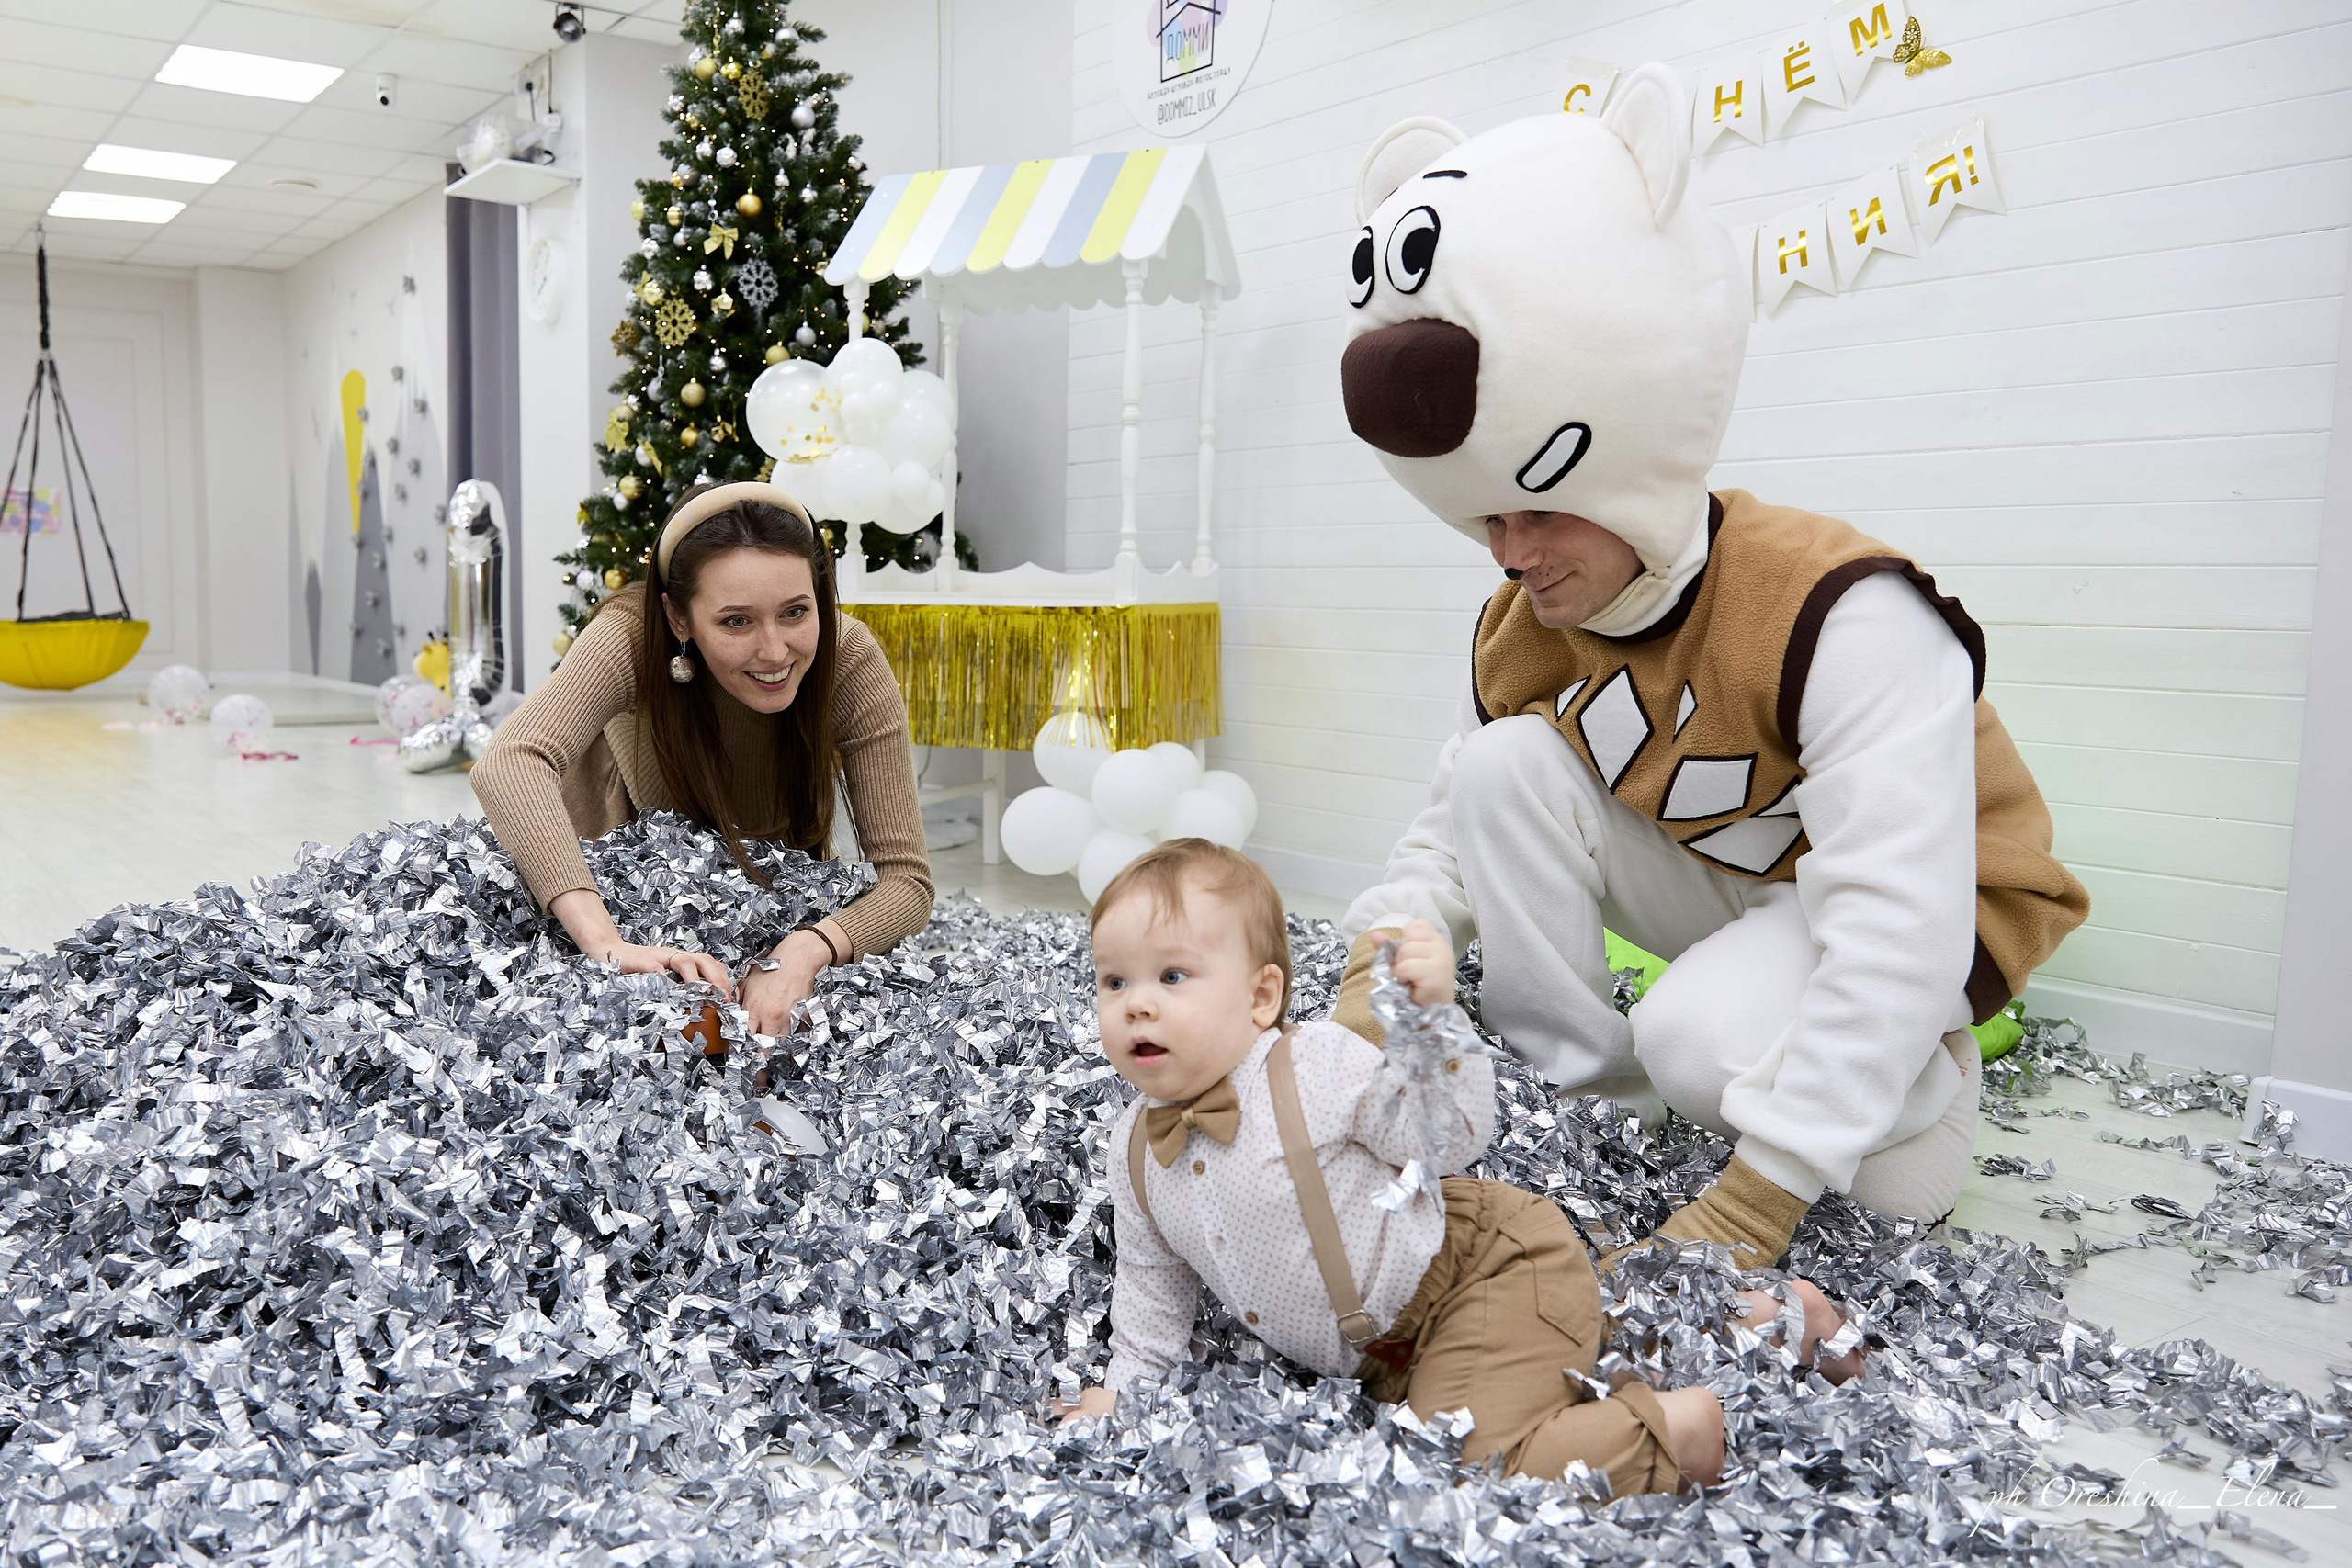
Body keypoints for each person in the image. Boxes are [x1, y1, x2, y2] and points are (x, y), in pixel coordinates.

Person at [1329, 80, 2087, 1271]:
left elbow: (1895, 918)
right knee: (1501, 764)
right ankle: (1596, 1095)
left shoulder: (1838, 608)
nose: (1516, 550)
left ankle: (1917, 1077)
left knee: (1818, 1137)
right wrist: (1375, 966)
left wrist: (1761, 1193)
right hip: (1732, 876)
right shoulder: (1523, 619)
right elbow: (1450, 831)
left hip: (1914, 916)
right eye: (1488, 517)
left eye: (1545, 510)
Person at [1057, 839, 1860, 1496]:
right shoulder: (1135, 1151)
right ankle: (1771, 1320)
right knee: (1566, 1352)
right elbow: (1150, 1297)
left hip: (1480, 1271)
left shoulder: (1312, 1067)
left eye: (1172, 976)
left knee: (1463, 1458)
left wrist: (1430, 1026)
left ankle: (1671, 1433)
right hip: (1395, 1353)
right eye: (1114, 980)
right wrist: (1121, 1396)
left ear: (1263, 996)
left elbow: (1456, 1131)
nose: (1137, 1003)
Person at [472, 482, 933, 1032]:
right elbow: (509, 761)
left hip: (765, 909)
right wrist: (608, 945)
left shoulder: (849, 657)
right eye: (736, 621)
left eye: (795, 612)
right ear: (679, 619)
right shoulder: (630, 636)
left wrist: (807, 950)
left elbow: (907, 881)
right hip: (606, 900)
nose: (774, 651)